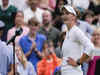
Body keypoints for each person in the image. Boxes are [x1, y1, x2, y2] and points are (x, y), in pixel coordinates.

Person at [61, 5, 94, 75]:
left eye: (67, 13)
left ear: (74, 16)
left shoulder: (76, 31)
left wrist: (78, 62)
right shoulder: (68, 32)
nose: (64, 16)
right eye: (63, 14)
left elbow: (90, 47)